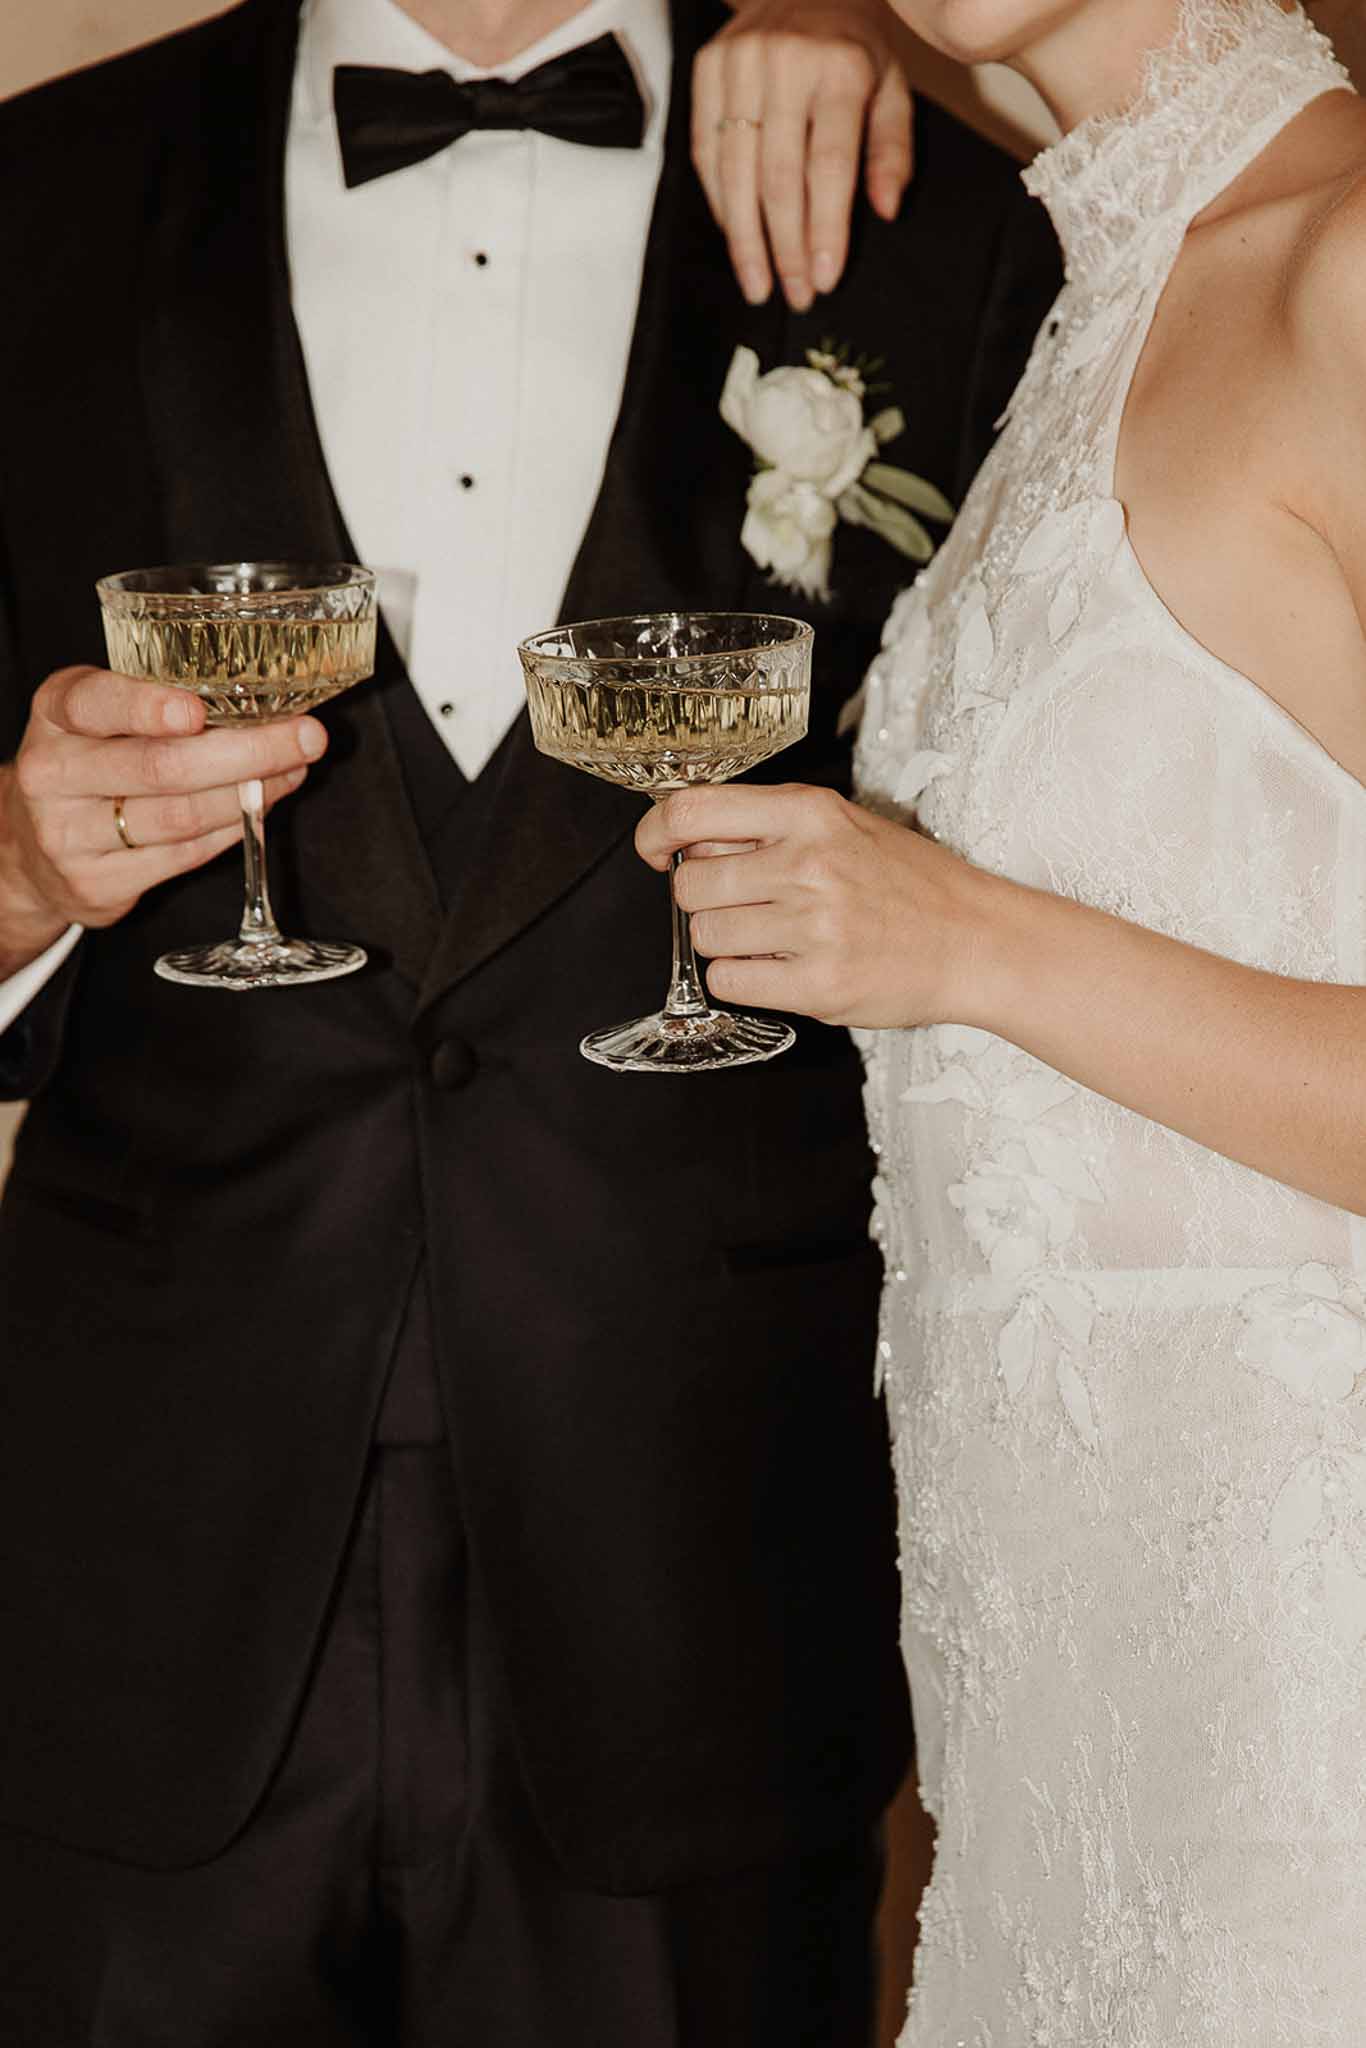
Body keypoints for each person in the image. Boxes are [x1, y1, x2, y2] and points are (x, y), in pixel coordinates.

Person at [0, 0, 1060, 2038]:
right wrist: (28, 869)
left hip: (700, 1576)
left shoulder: (955, 230)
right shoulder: (37, 199)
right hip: (130, 1592)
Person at [638, 0, 1366, 2038]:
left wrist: (969, 941)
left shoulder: (1344, 263)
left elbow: (979, 948)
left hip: (1308, 1753)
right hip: (1053, 1725)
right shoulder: (1087, 299)